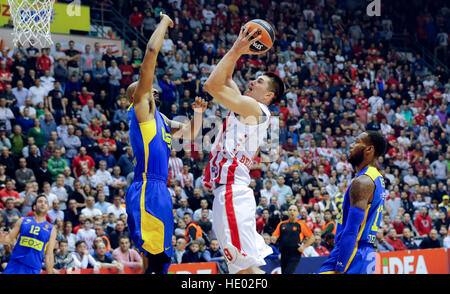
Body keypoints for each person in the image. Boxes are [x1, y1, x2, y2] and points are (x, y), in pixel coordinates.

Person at [124, 12, 206, 274]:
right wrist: (165, 22)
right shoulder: (142, 111)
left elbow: (191, 134)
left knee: (162, 258)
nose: (154, 89)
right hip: (147, 186)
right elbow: (150, 51)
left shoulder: (161, 118)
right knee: (153, 255)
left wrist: (199, 114)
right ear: (138, 95)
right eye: (147, 87)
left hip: (160, 189)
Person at [202, 24, 284, 274]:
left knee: (243, 271)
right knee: (243, 269)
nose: (252, 82)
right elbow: (225, 78)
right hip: (229, 193)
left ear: (268, 95)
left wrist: (239, 48)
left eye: (259, 82)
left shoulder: (255, 109)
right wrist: (237, 48)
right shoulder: (247, 107)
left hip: (231, 193)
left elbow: (212, 86)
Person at [318, 131, 388, 274]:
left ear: (369, 149)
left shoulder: (363, 182)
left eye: (357, 142)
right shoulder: (376, 177)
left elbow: (351, 230)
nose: (351, 146)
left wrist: (340, 265)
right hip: (364, 252)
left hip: (351, 253)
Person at [0, 194, 57, 274]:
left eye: (45, 202)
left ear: (47, 208)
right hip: (15, 265)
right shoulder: (22, 221)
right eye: (40, 201)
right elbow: (7, 240)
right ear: (34, 207)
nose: (43, 204)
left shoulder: (51, 229)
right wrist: (1, 237)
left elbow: (49, 255)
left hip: (33, 269)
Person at [272, 205, 314, 274]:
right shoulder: (282, 224)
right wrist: (273, 238)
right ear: (288, 212)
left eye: (294, 210)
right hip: (283, 253)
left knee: (287, 273)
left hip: (295, 253)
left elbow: (312, 238)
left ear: (297, 213)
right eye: (290, 210)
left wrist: (303, 247)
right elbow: (275, 236)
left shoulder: (301, 224)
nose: (292, 212)